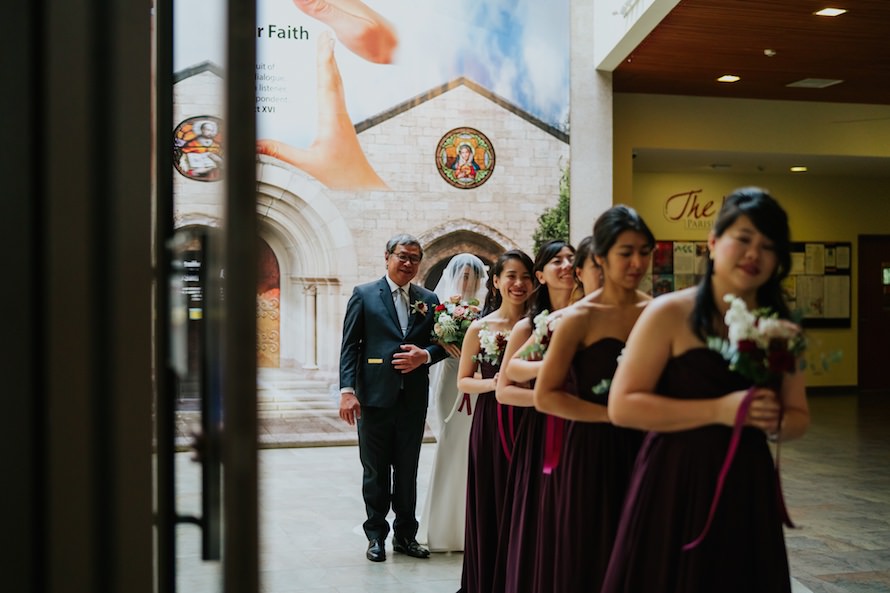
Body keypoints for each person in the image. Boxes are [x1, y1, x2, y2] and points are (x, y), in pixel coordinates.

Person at [602, 188, 810, 592]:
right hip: (675, 476)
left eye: (768, 246)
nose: (754, 254)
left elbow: (798, 415)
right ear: (713, 242)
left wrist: (775, 421)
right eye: (744, 239)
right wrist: (721, 410)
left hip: (746, 479)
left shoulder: (782, 329)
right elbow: (623, 406)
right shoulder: (668, 313)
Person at [533, 206, 654, 592]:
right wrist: (611, 415)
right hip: (591, 448)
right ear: (600, 257)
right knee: (592, 547)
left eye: (645, 251)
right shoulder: (578, 319)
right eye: (625, 252)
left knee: (646, 548)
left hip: (651, 445)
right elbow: (546, 395)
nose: (637, 262)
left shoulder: (659, 312)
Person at [338, 233, 449, 562]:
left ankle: (405, 536)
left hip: (412, 400)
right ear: (387, 256)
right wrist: (347, 392)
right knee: (375, 470)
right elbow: (350, 347)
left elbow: (443, 343)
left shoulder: (428, 299)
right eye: (402, 256)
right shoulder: (364, 294)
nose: (408, 263)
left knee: (407, 469)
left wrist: (423, 356)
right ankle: (375, 536)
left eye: (415, 258)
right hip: (373, 397)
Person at [492, 239, 576, 593]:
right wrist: (547, 398)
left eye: (573, 258)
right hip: (544, 430)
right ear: (541, 275)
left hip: (586, 427)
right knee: (543, 515)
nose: (567, 265)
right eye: (557, 260)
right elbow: (504, 390)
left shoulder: (591, 318)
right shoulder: (529, 328)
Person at [456, 249, 534, 593]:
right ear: (497, 281)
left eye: (526, 277)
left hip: (533, 417)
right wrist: (497, 383)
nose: (519, 284)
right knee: (496, 498)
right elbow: (464, 380)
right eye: (511, 276)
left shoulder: (542, 323)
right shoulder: (480, 327)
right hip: (493, 420)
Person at [418, 253, 488, 552]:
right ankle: (442, 526)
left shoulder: (488, 309)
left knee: (476, 446)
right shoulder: (441, 307)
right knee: (451, 441)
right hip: (450, 376)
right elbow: (428, 340)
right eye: (463, 275)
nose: (467, 280)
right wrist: (440, 341)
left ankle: (473, 522)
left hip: (479, 379)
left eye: (473, 276)